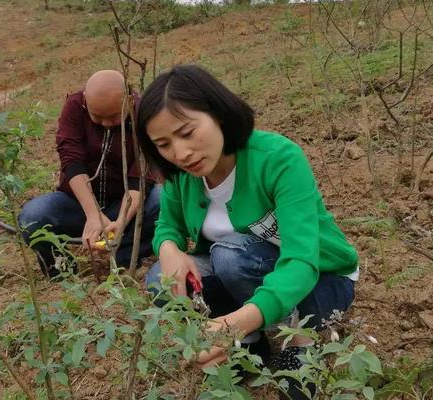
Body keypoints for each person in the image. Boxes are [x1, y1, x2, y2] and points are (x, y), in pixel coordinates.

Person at [136, 65, 358, 399]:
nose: (180, 153)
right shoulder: (182, 175)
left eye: (187, 132)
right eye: (163, 144)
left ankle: (299, 343)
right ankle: (251, 345)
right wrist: (169, 250)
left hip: (321, 281)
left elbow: (301, 260)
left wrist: (236, 322)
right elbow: (168, 225)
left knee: (230, 254)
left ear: (219, 115)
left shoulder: (278, 158)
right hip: (245, 271)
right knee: (159, 278)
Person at [18, 70, 160, 278]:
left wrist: (121, 221)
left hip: (125, 204)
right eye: (97, 118)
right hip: (77, 205)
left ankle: (125, 259)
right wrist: (93, 214)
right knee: (33, 216)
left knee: (161, 201)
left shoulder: (143, 114)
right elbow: (72, 162)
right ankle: (61, 269)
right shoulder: (75, 107)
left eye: (113, 117)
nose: (105, 124)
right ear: (85, 101)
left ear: (128, 101)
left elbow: (140, 177)